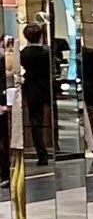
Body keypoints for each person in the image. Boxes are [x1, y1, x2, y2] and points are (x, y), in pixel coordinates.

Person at [19, 23, 52, 166]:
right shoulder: (47, 53)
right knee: (52, 118)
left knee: (35, 122)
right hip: (47, 87)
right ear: (41, 36)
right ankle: (54, 145)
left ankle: (41, 154)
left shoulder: (23, 53)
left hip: (31, 88)